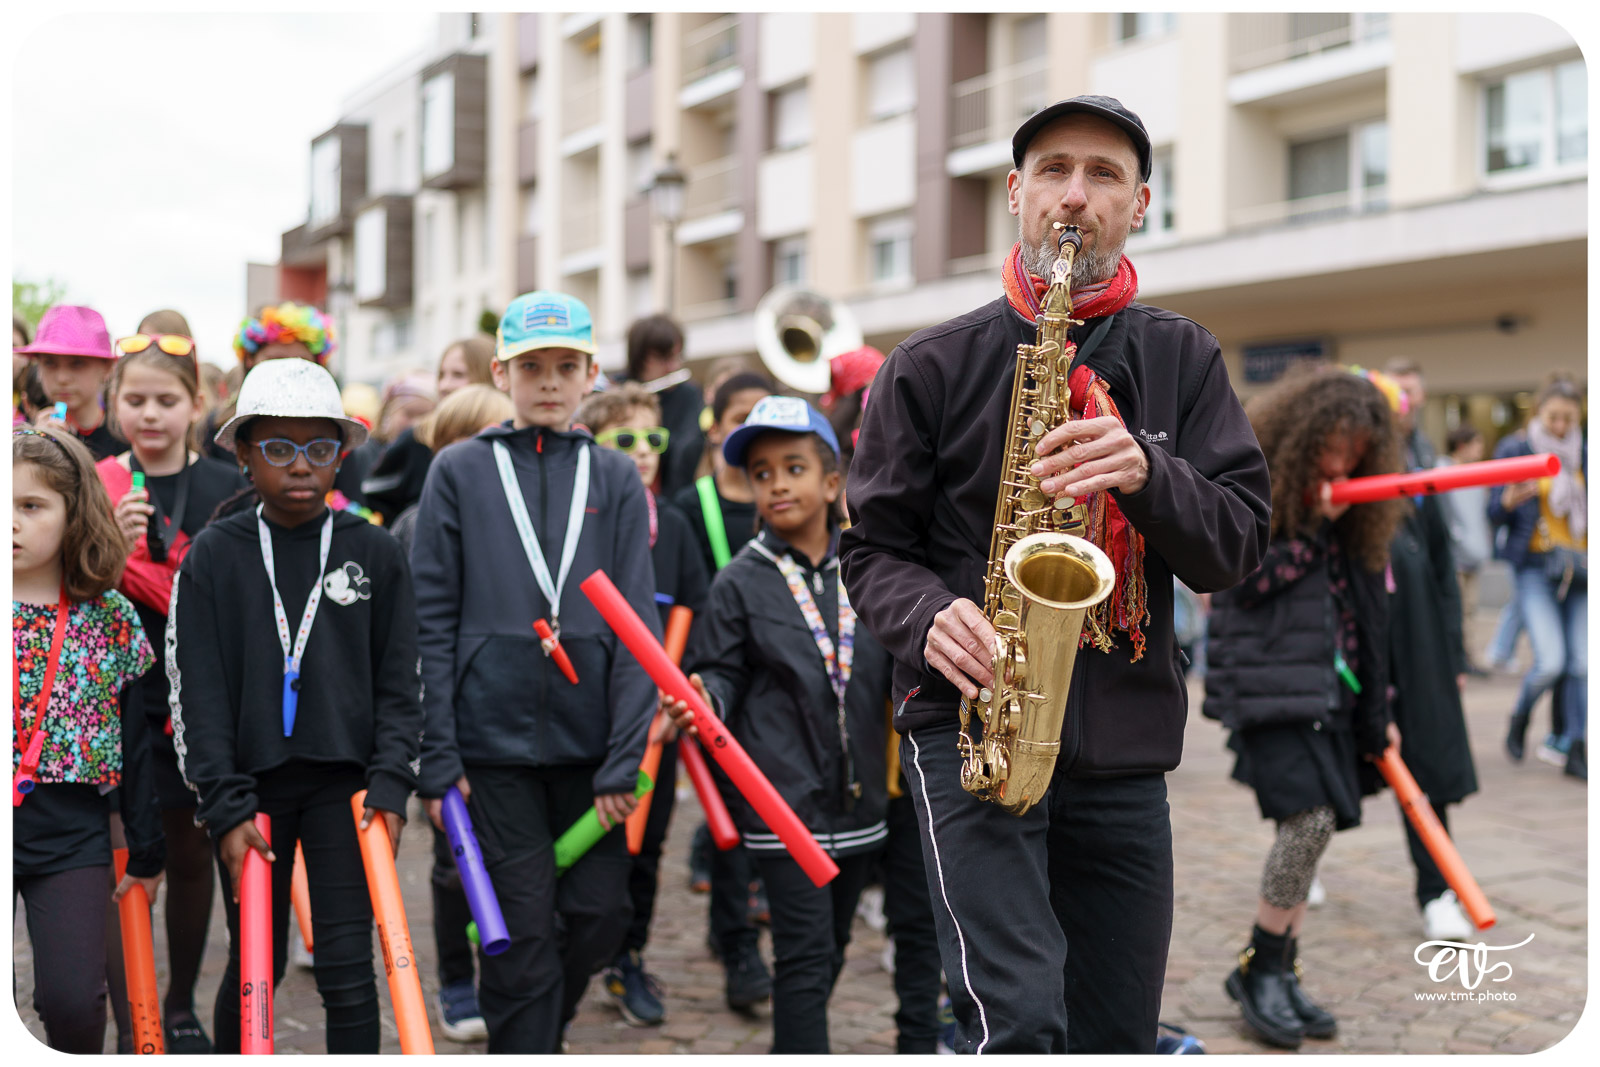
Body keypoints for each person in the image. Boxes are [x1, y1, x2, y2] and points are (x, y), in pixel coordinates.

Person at [839, 95, 1271, 1054]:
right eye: (1055, 172)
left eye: (1104, 175)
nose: (1076, 197)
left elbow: (1237, 543)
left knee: (1115, 1033)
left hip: (1122, 751)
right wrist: (927, 616)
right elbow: (869, 551)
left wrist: (1149, 475)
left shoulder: (1183, 358)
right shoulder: (927, 365)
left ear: (1140, 203)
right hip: (973, 733)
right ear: (1015, 192)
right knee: (1021, 1023)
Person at [410, 291, 658, 1054]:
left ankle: (531, 1030)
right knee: (518, 936)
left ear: (589, 373)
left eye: (565, 366)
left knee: (597, 916)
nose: (548, 381)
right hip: (492, 756)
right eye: (531, 367)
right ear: (500, 372)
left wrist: (626, 756)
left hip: (592, 757)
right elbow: (432, 623)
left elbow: (638, 627)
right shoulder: (458, 470)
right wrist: (440, 755)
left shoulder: (615, 476)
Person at [166, 357, 422, 1053]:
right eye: (279, 448)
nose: (301, 465)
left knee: (347, 969)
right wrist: (224, 804)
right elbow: (198, 691)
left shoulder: (374, 550)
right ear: (245, 454)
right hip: (251, 795)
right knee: (255, 967)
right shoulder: (215, 555)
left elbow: (403, 679)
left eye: (320, 448)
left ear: (342, 454)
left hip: (348, 793)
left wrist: (394, 782)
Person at [663, 396, 891, 1053]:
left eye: (793, 467)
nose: (777, 483)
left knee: (833, 948)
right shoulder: (739, 581)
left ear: (831, 482)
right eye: (762, 473)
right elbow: (722, 673)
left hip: (862, 803)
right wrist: (708, 691)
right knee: (803, 954)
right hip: (782, 806)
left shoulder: (870, 567)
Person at [1204, 366, 1403, 1048]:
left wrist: (1378, 706)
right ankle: (1260, 965)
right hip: (1266, 688)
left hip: (1324, 691)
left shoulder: (1352, 515)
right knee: (1308, 823)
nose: (1343, 462)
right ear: (1305, 435)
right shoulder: (1260, 487)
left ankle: (1278, 968)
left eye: (1355, 451)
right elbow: (1240, 579)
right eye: (1333, 445)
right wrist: (1316, 520)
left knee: (1316, 829)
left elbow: (1364, 610)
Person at [95, 319, 246, 1053]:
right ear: (115, 402)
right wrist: (109, 551)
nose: (149, 415)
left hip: (197, 699)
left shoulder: (227, 482)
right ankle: (132, 1012)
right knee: (122, 861)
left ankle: (179, 1001)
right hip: (114, 698)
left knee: (190, 856)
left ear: (197, 402)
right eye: (135, 400)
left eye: (165, 400)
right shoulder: (96, 482)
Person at [13, 423, 164, 1053]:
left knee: (76, 1005)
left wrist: (147, 846)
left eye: (31, 505)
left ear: (74, 516)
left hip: (68, 827)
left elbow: (137, 739)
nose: (11, 522)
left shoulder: (109, 616)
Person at [576, 382, 712, 1028]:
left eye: (652, 440)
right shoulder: (579, 520)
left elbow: (696, 617)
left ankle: (626, 956)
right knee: (579, 839)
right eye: (623, 440)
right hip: (586, 716)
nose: (642, 453)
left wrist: (671, 700)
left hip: (656, 722)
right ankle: (569, 953)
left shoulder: (678, 525)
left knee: (647, 844)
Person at [380, 381, 512, 1044]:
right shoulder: (411, 525)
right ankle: (456, 977)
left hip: (506, 717)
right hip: (440, 719)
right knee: (453, 857)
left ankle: (508, 976)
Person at [667, 369, 777, 1013]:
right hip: (718, 685)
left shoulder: (789, 501)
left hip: (782, 685)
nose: (750, 427)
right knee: (731, 822)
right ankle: (737, 945)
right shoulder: (690, 506)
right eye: (739, 415)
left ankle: (747, 924)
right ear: (716, 427)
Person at [1381, 380, 1479, 941]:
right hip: (1346, 658)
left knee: (1425, 774)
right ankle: (1300, 871)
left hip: (1417, 654)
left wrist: (1452, 650)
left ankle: (1436, 891)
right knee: (1312, 787)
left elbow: (1443, 572)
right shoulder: (1327, 486)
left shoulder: (1418, 487)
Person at [1491, 374, 1586, 780]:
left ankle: (1577, 748)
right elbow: (1492, 511)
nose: (1561, 427)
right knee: (1551, 662)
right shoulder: (1517, 448)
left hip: (1581, 570)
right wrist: (1508, 500)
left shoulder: (1586, 450)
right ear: (1539, 413)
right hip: (1535, 568)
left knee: (1583, 665)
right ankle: (1521, 715)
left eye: (1569, 418)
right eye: (1554, 418)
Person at [363, 338, 497, 524]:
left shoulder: (506, 439)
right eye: (441, 375)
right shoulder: (419, 438)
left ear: (491, 376)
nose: (445, 385)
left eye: (458, 375)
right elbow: (374, 499)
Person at [201, 302, 337, 460]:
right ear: (250, 360)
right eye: (275, 360)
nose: (287, 371)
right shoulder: (215, 428)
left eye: (300, 361)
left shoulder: (335, 429)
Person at [17, 304, 125, 459]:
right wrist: (34, 448)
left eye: (77, 363)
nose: (62, 378)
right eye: (49, 363)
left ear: (106, 368)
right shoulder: (25, 439)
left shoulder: (126, 437)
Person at [626, 314, 706, 498]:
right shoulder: (619, 392)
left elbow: (685, 449)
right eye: (663, 359)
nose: (673, 367)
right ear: (640, 358)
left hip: (672, 496)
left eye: (677, 357)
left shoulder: (689, 395)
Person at [1437, 426, 1494, 674]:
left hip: (1474, 555)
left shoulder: (1475, 474)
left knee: (1469, 610)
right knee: (1456, 610)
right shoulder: (1442, 472)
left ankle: (1467, 657)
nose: (1480, 450)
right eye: (1476, 444)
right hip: (1454, 557)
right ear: (1462, 445)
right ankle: (1457, 658)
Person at [1385, 357, 1436, 470]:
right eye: (1394, 392)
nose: (1400, 399)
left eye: (1407, 392)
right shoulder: (1370, 446)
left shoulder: (1425, 446)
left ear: (1422, 396)